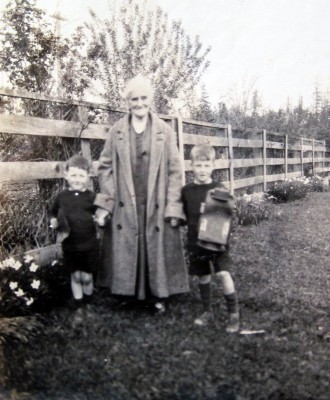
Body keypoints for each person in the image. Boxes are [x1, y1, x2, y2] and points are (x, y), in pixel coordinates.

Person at [94, 75, 189, 311]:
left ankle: (158, 294)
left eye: (143, 98)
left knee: (154, 243)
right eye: (134, 99)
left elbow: (176, 171)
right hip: (126, 199)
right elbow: (104, 166)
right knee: (128, 242)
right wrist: (110, 197)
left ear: (151, 100)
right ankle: (127, 292)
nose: (139, 103)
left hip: (155, 197)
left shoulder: (164, 132)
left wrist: (173, 205)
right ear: (127, 102)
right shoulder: (116, 131)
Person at [181, 144, 240, 332]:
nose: (202, 170)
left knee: (223, 273)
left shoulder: (219, 189)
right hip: (195, 242)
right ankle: (207, 311)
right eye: (198, 166)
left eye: (206, 166)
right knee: (203, 276)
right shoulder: (186, 191)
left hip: (217, 242)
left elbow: (229, 212)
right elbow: (182, 214)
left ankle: (233, 314)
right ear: (192, 166)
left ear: (213, 166)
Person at [50, 155, 105, 309]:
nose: (77, 179)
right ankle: (79, 305)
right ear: (66, 175)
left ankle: (89, 302)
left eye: (81, 175)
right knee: (75, 275)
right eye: (73, 175)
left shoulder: (92, 197)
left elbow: (101, 214)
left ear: (89, 177)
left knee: (86, 277)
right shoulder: (61, 197)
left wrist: (101, 220)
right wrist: (53, 221)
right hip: (70, 245)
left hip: (89, 246)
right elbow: (53, 213)